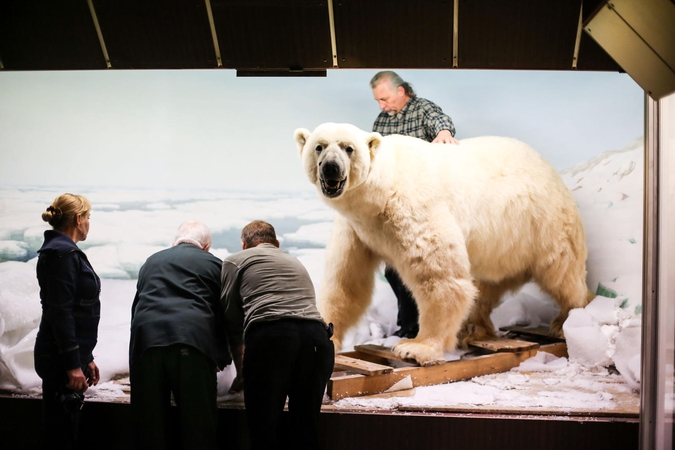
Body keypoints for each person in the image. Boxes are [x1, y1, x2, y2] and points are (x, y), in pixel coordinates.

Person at [221, 220, 334, 450]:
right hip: (317, 340)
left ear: (244, 246)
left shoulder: (235, 260)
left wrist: (241, 372)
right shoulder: (294, 261)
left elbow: (231, 319)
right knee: (305, 427)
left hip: (271, 338)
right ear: (277, 243)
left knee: (264, 427)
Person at [370, 70, 459, 339]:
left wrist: (443, 132)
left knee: (425, 271)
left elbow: (441, 121)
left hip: (425, 206)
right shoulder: (382, 121)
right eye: (377, 101)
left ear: (401, 91)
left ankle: (426, 329)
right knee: (395, 271)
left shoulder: (422, 109)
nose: (381, 106)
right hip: (394, 209)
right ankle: (409, 327)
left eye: (384, 99)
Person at [129, 221, 230, 450]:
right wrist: (221, 356)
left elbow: (137, 308)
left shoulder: (151, 261)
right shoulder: (214, 264)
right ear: (206, 247)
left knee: (149, 426)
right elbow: (223, 312)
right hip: (192, 342)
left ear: (175, 241)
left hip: (147, 342)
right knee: (198, 425)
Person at [34, 193, 101, 450]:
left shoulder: (63, 252)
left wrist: (86, 357)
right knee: (60, 432)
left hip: (67, 356)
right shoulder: (61, 255)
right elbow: (60, 312)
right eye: (88, 217)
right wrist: (73, 365)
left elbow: (76, 310)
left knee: (66, 427)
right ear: (78, 218)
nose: (88, 222)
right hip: (59, 359)